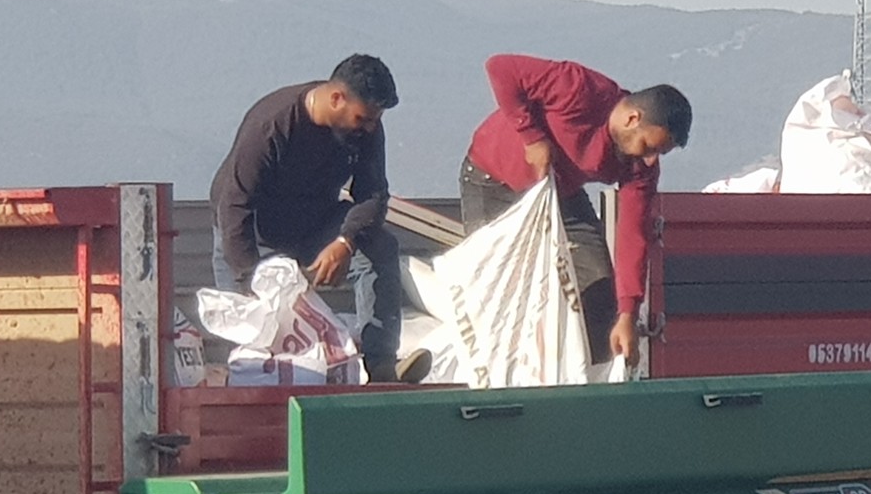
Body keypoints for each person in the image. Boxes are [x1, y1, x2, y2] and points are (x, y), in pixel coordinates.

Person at [459, 55, 692, 367]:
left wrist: (627, 313)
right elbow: (500, 68)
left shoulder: (640, 168)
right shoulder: (580, 90)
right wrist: (532, 137)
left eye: (659, 154)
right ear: (632, 119)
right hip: (492, 183)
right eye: (650, 147)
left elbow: (633, 236)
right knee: (495, 290)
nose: (651, 159)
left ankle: (590, 381)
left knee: (597, 288)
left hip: (562, 195)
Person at [210, 54, 431, 383]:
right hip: (253, 232)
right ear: (336, 99)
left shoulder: (366, 129)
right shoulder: (271, 125)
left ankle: (381, 364)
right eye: (363, 118)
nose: (370, 127)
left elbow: (373, 194)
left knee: (380, 246)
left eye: (375, 120)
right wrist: (250, 280)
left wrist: (345, 242)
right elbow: (234, 206)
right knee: (255, 332)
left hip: (315, 221)